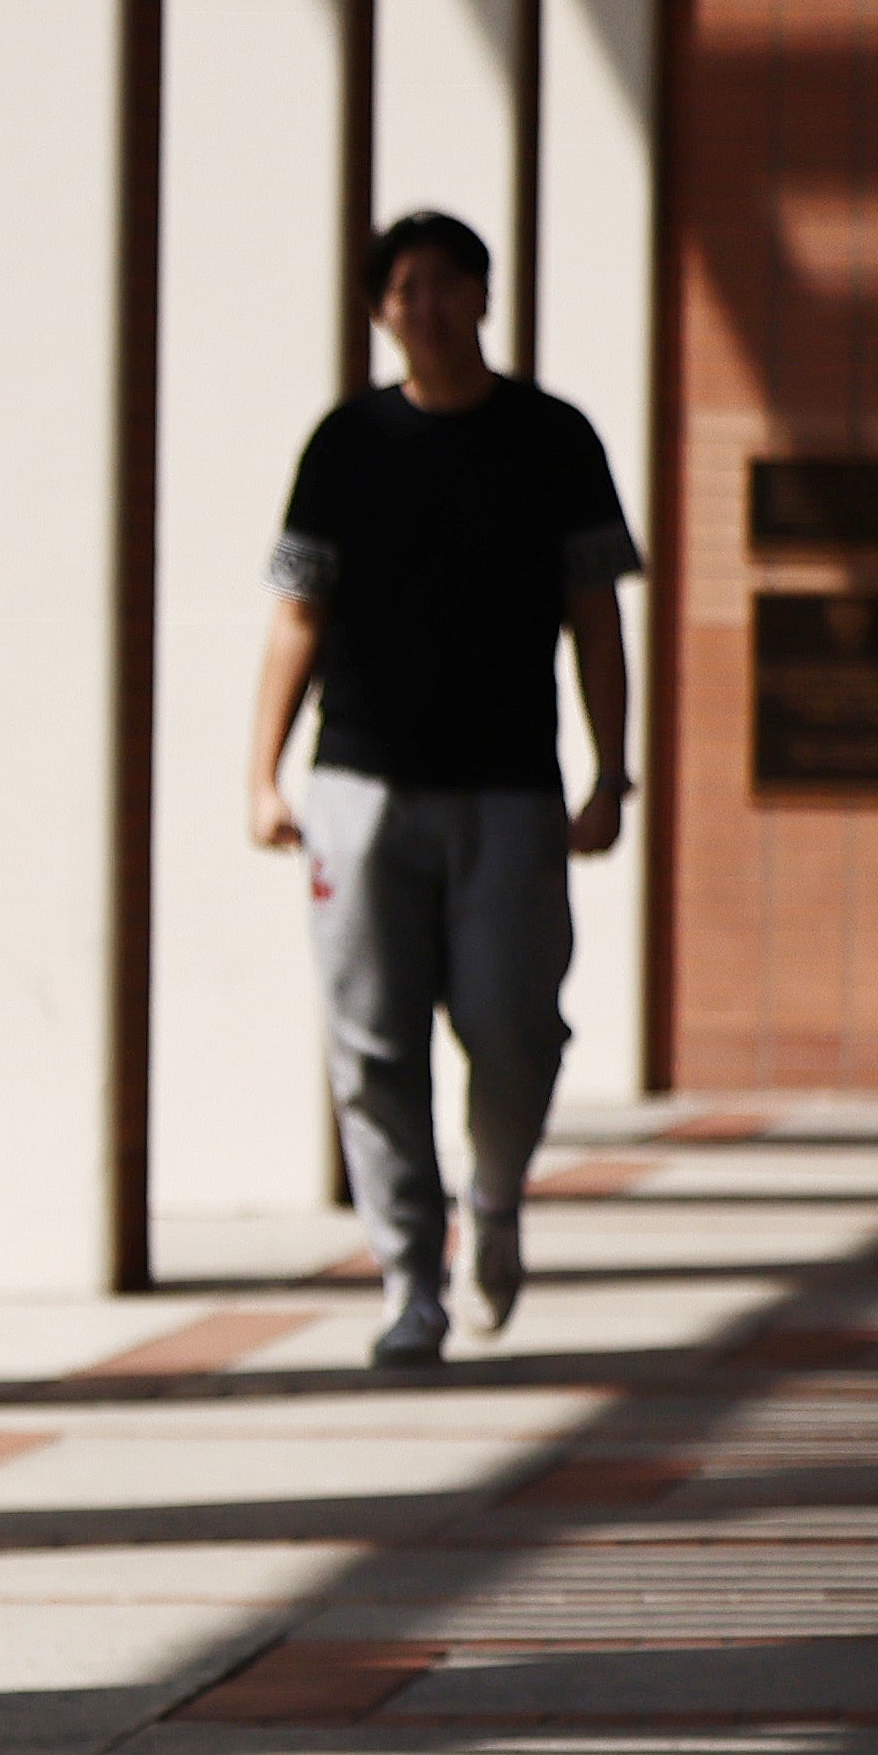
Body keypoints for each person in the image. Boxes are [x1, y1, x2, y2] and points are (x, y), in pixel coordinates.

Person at [242, 209, 638, 1367]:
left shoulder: (552, 438)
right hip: (359, 782)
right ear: (380, 310)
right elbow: (294, 614)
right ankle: (410, 1278)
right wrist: (260, 775)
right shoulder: (345, 444)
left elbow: (595, 619)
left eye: (444, 283)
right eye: (401, 288)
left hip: (510, 788)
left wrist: (609, 775)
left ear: (482, 297)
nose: (423, 305)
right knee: (370, 1043)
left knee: (513, 1024)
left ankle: (497, 1198)